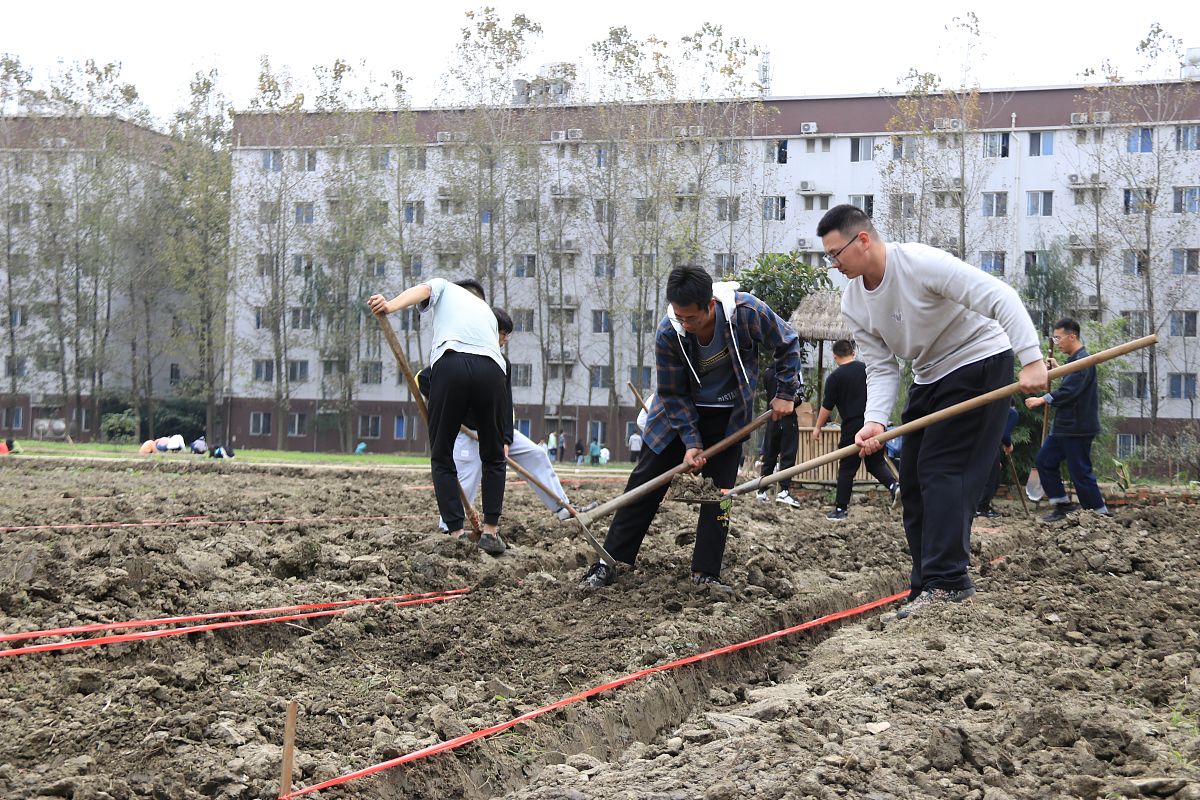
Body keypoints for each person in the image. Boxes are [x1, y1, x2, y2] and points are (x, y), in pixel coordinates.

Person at [817, 204, 1045, 619]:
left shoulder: (920, 263)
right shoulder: (854, 302)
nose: (833, 264)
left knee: (944, 469)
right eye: (828, 257)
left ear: (862, 240)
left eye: (836, 254)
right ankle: (925, 586)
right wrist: (875, 422)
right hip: (929, 375)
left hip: (980, 360)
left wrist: (1031, 359)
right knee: (914, 478)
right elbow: (882, 365)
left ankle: (948, 583)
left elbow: (1000, 295)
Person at [581, 264, 802, 591]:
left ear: (710, 305)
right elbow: (673, 393)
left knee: (721, 497)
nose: (685, 324)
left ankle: (706, 574)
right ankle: (610, 562)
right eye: (679, 316)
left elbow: (787, 341)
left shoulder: (745, 312)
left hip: (729, 419)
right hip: (677, 418)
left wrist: (785, 393)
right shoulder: (669, 332)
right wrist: (690, 442)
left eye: (692, 318)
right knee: (644, 486)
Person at [368, 277, 508, 555]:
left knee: (442, 454)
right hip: (492, 370)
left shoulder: (444, 286)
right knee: (493, 455)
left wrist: (389, 306)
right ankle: (491, 531)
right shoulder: (488, 314)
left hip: (452, 361)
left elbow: (422, 290)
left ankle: (455, 533)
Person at [419, 308, 582, 530]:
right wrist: (461, 414)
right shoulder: (457, 355)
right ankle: (448, 527)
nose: (504, 339)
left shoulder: (500, 362)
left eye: (506, 334)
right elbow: (423, 379)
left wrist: (505, 439)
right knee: (467, 477)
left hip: (494, 431)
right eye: (501, 333)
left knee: (536, 454)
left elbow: (505, 404)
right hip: (467, 434)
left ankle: (563, 509)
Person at [1026, 318, 1109, 522]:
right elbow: (1071, 379)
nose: (1056, 342)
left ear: (1072, 336)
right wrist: (1058, 367)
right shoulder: (1075, 361)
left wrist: (1041, 399)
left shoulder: (1083, 361)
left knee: (1080, 470)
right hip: (1066, 427)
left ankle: (1098, 513)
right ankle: (1062, 505)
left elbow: (1070, 390)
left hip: (1077, 427)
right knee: (1045, 461)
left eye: (1058, 338)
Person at [812, 339, 898, 520]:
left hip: (852, 426)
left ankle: (841, 509)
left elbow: (826, 407)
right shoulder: (866, 370)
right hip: (874, 422)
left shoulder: (835, 377)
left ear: (835, 356)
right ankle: (894, 486)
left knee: (847, 469)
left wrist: (817, 428)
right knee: (876, 464)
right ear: (853, 352)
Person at [755, 362, 802, 508]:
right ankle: (784, 491)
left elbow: (767, 393)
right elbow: (799, 397)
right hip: (788, 418)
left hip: (772, 417)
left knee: (770, 454)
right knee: (788, 454)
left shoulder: (768, 371)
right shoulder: (793, 371)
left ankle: (761, 490)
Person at [975, 401, 1020, 519]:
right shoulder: (1011, 412)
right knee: (992, 479)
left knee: (980, 476)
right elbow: (1004, 435)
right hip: (988, 445)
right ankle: (981, 508)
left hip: (975, 444)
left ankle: (976, 507)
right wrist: (1009, 445)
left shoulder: (989, 408)